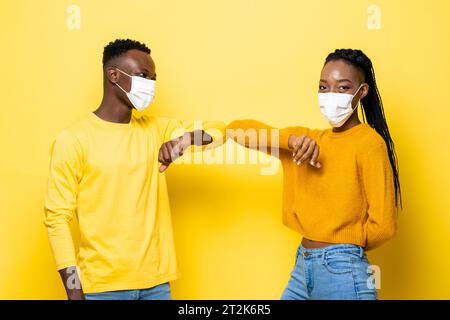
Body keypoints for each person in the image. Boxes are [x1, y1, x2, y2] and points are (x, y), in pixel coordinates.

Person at [44, 39, 225, 300]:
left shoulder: (156, 130)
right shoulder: (73, 139)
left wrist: (185, 139)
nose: (149, 85)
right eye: (142, 76)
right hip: (102, 289)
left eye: (153, 78)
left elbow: (220, 132)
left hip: (157, 286)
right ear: (114, 75)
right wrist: (74, 291)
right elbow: (56, 219)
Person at [226, 49, 400, 300]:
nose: (331, 96)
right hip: (302, 266)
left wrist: (344, 244)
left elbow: (384, 225)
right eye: (323, 87)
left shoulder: (368, 143)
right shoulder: (305, 141)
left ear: (362, 92)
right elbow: (236, 130)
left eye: (342, 88)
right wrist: (291, 140)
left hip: (343, 270)